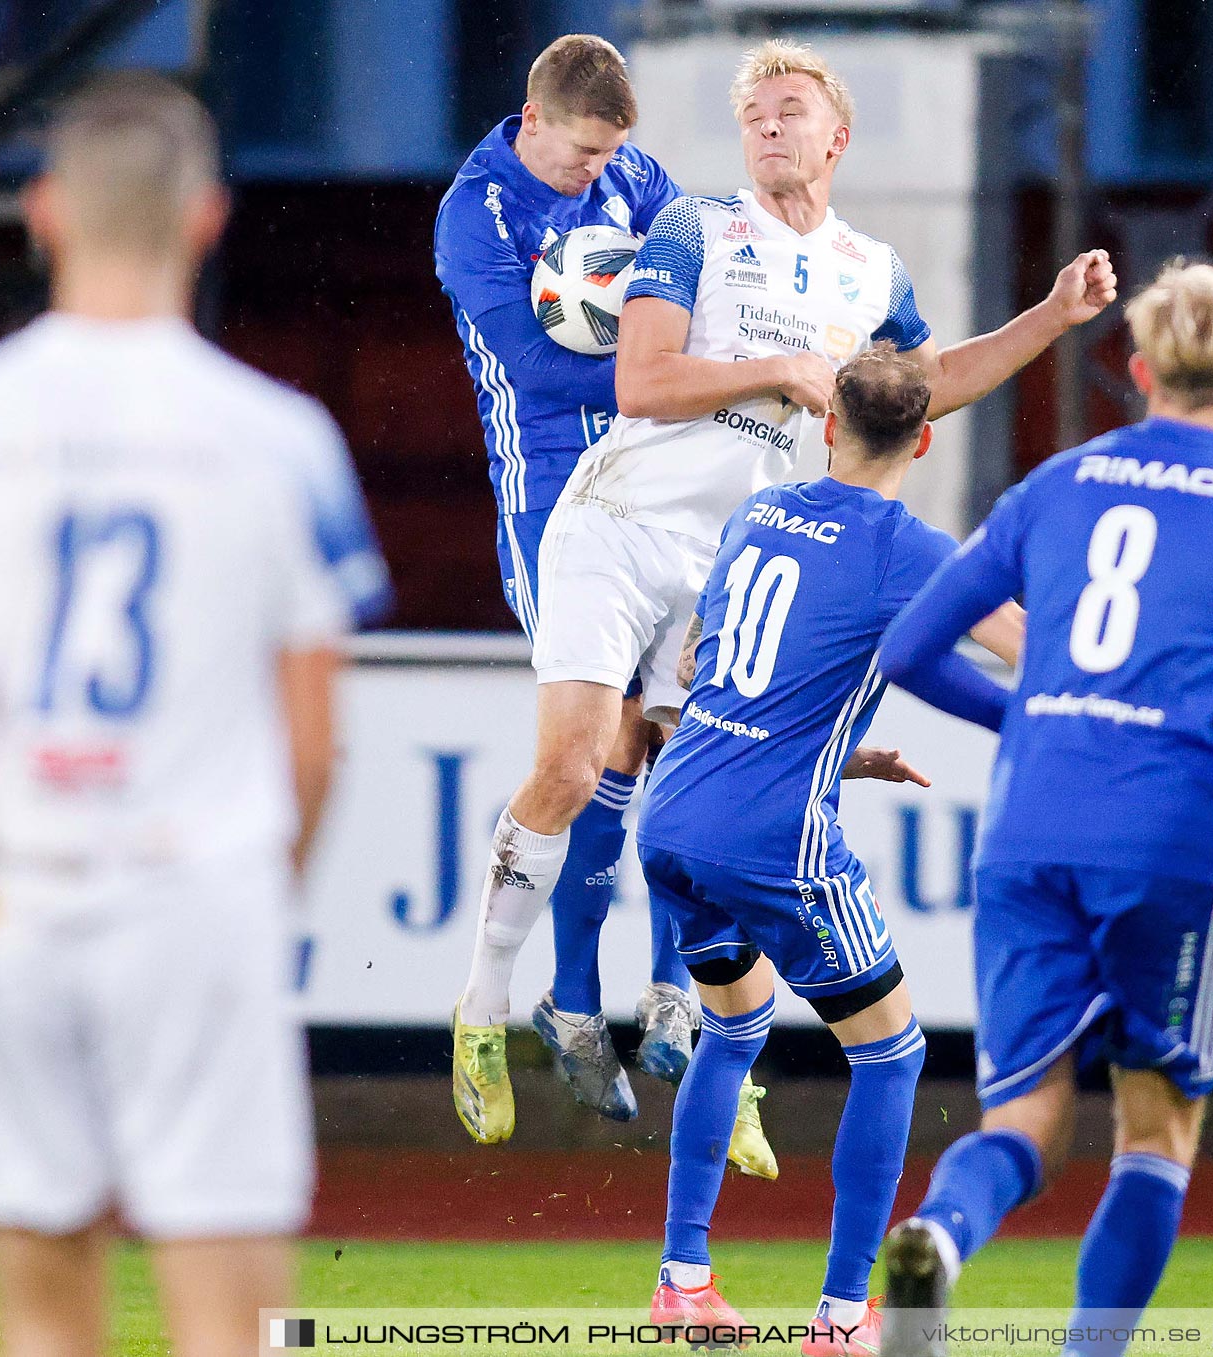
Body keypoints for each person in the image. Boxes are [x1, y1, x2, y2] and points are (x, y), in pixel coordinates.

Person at [485, 30, 1113, 1189]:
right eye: (754, 111)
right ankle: (497, 1001)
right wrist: (777, 373)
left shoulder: (871, 271)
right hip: (625, 521)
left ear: (838, 133)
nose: (768, 123)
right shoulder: (695, 229)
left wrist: (1051, 318)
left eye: (789, 107)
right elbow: (642, 381)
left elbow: (932, 381)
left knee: (692, 785)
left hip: (733, 567)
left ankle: (694, 1058)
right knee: (579, 769)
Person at [0, 75, 391, 1357]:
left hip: (14, 889)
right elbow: (315, 738)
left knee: (40, 1300)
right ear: (207, 217)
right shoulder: (277, 436)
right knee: (228, 1309)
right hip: (194, 890)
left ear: (42, 212)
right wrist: (263, 890)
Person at [873, 261, 1213, 1357]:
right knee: (1157, 1130)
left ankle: (936, 1242)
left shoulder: (1054, 484)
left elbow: (906, 648)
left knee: (1025, 1122)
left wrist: (1036, 721)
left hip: (1031, 822)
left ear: (1137, 371)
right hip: (1167, 838)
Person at [638, 348, 1023, 1354]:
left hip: (673, 811)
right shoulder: (909, 546)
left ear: (827, 425)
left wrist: (845, 756)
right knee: (892, 1053)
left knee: (736, 1021)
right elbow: (1010, 653)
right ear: (926, 438)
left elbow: (726, 681)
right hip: (774, 838)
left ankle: (683, 1281)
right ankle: (845, 1318)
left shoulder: (757, 515)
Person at [434, 34, 774, 1171]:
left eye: (608, 157)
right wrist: (662, 366)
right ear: (533, 122)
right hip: (553, 497)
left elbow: (705, 283)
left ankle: (674, 1003)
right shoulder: (476, 215)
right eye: (580, 156)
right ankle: (520, 1000)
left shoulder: (639, 179)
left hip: (668, 489)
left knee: (681, 742)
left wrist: (695, 359)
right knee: (585, 759)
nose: (595, 175)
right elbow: (535, 367)